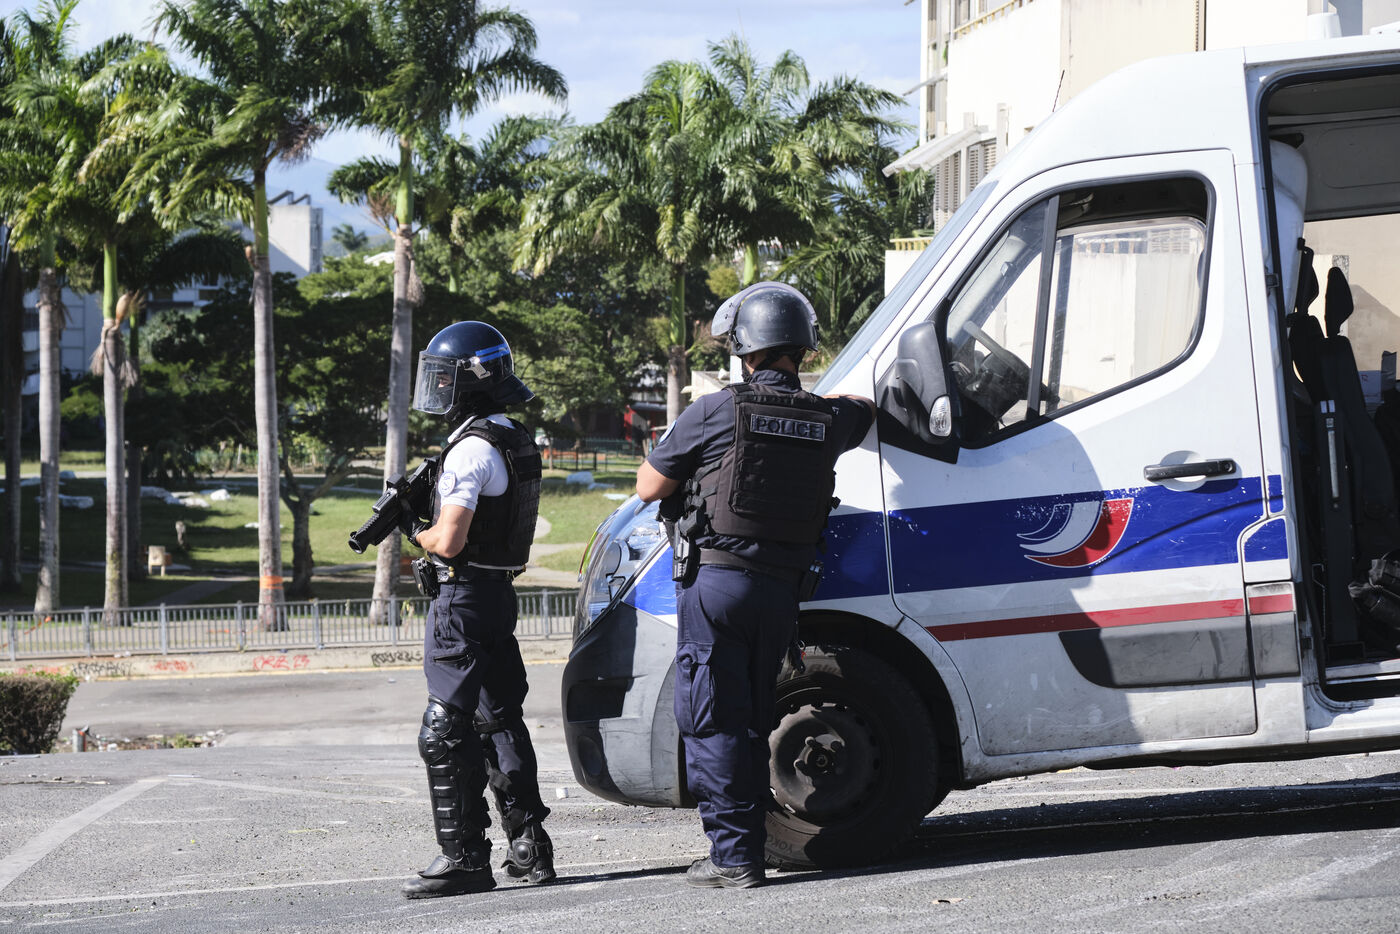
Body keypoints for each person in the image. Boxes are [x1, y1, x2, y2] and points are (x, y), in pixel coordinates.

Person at [635, 282, 875, 888]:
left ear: (746, 349)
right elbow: (863, 406)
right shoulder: (827, 418)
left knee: (713, 719)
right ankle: (744, 848)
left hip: (717, 585)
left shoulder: (715, 410)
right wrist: (824, 398)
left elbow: (648, 486)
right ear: (802, 348)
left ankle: (734, 857)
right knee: (749, 718)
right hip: (782, 594)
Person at [398, 321, 555, 899]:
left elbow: (449, 541)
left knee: (443, 731)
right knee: (499, 720)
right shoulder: (514, 435)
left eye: (444, 378)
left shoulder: (469, 449)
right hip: (497, 594)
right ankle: (530, 849)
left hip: (461, 597)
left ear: (469, 382)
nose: (436, 389)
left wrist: (415, 528)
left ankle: (463, 858)